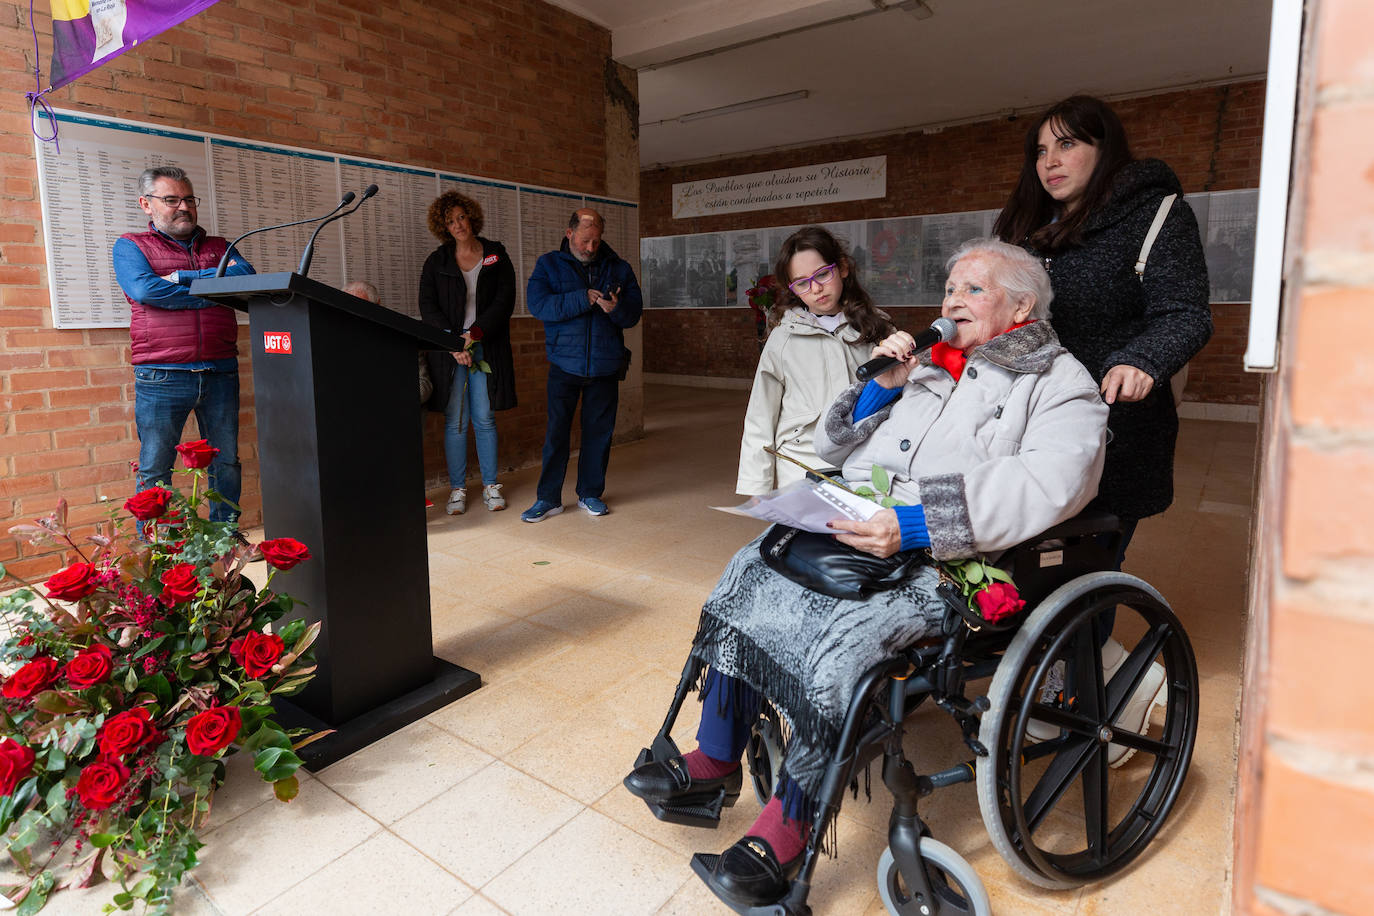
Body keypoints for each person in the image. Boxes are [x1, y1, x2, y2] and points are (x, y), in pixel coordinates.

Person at [624, 239, 1107, 909]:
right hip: (856, 525)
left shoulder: (1061, 382)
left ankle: (788, 828)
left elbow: (1048, 481)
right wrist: (879, 383)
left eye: (973, 290)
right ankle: (713, 758)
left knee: (843, 642)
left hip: (947, 557)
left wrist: (913, 525)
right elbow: (831, 444)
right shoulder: (931, 366)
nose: (951, 302)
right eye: (949, 288)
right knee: (748, 577)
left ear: (1022, 305)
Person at [992, 95, 1212, 560]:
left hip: (1111, 422)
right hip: (1020, 419)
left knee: (1087, 562)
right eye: (1040, 150)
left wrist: (1141, 359)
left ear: (1103, 148)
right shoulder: (1022, 225)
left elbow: (1185, 311)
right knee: (1019, 562)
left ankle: (1089, 632)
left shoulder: (1154, 215)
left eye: (1066, 144)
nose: (1050, 162)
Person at [113, 165, 255, 525]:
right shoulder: (131, 246)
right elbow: (145, 290)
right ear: (146, 204)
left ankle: (226, 538)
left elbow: (245, 277)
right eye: (171, 199)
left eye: (188, 199)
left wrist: (182, 279)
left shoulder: (221, 247)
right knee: (156, 465)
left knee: (225, 461)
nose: (183, 207)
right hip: (162, 374)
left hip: (220, 370)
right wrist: (214, 293)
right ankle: (159, 550)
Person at [736, 226, 894, 496]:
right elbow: (760, 417)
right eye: (802, 283)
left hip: (867, 464)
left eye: (822, 274)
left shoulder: (877, 327)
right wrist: (757, 488)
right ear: (793, 289)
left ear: (842, 268)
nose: (816, 288)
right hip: (802, 469)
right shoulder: (783, 338)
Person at [522, 208, 643, 522]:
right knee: (556, 435)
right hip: (564, 365)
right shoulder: (548, 264)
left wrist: (616, 308)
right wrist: (581, 299)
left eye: (596, 241)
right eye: (585, 241)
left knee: (598, 435)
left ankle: (590, 494)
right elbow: (538, 305)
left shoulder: (619, 268)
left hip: (605, 366)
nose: (590, 248)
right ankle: (548, 499)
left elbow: (633, 314)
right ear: (569, 234)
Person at [418, 191, 517, 515]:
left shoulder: (496, 254)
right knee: (456, 421)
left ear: (471, 217)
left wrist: (473, 336)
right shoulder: (437, 261)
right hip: (450, 352)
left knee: (484, 418)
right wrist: (453, 343)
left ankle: (491, 486)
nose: (457, 225)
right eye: (450, 221)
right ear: (442, 227)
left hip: (485, 346)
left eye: (461, 217)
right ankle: (458, 489)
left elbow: (504, 301)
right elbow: (428, 307)